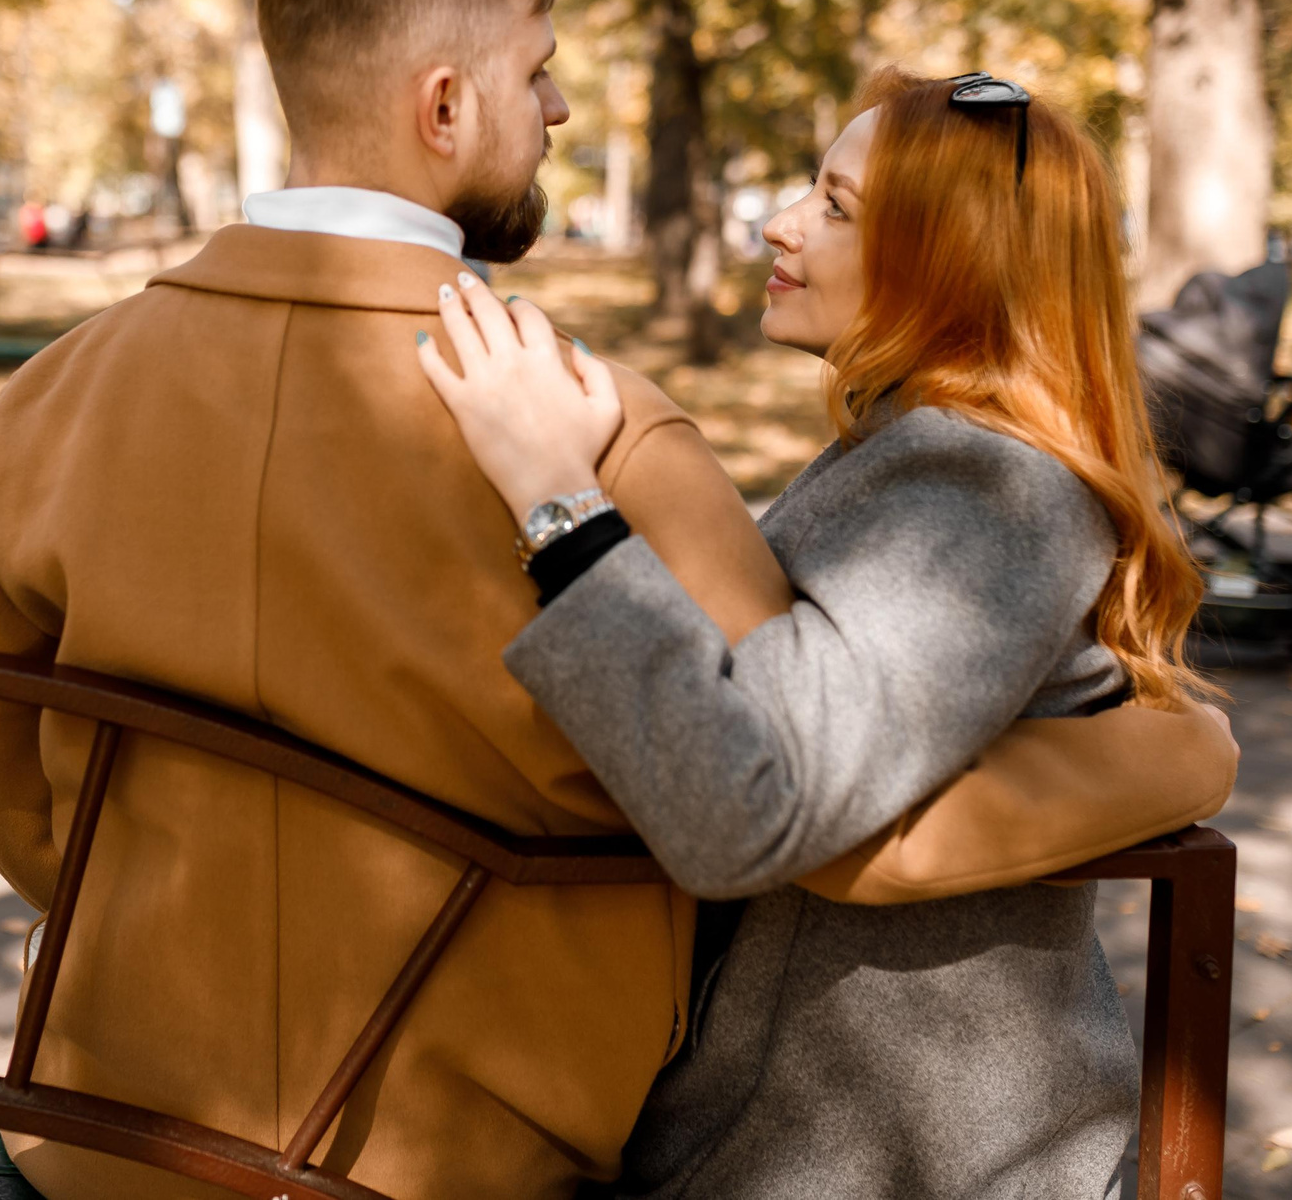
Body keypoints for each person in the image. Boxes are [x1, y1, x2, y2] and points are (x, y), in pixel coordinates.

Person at [0, 0, 1237, 1200]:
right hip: (472, 1146)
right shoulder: (607, 428)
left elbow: (15, 800)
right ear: (445, 105)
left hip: (104, 1123)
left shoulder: (38, 403)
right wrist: (1167, 750)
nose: (561, 108)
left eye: (834, 203)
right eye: (541, 73)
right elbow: (778, 800)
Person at [418, 68, 1210, 1198]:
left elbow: (748, 803)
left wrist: (553, 494)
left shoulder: (990, 488)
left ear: (956, 260)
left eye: (836, 207)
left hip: (897, 1158)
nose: (780, 223)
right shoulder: (917, 450)